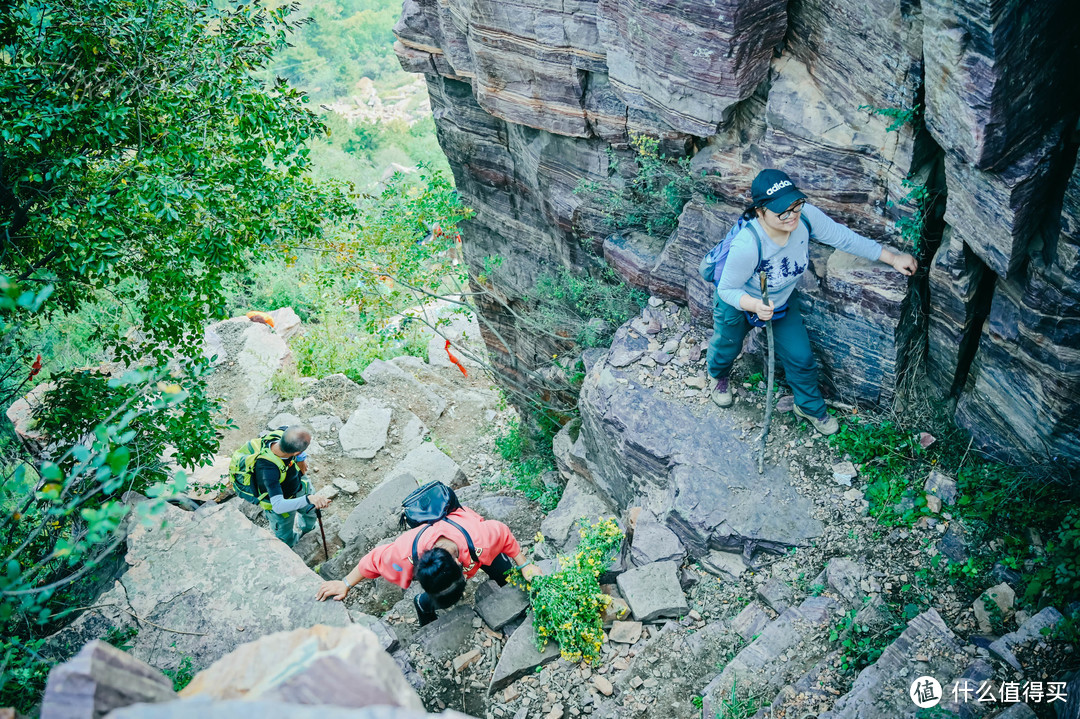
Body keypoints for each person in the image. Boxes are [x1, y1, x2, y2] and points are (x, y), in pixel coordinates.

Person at [707, 169, 918, 435]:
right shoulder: (748, 244)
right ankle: (718, 375)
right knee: (727, 345)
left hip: (781, 301)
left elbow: (843, 237)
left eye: (795, 205)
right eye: (782, 212)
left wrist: (892, 258)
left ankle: (807, 406)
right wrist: (753, 306)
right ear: (760, 211)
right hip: (738, 303)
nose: (792, 215)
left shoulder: (805, 217)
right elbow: (727, 289)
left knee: (801, 357)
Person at [315, 505, 541, 625]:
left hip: (470, 536)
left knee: (507, 574)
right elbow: (372, 560)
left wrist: (524, 564)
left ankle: (511, 594)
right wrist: (345, 583)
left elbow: (502, 532)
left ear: (459, 564)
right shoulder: (402, 557)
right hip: (463, 554)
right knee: (430, 603)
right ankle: (425, 610)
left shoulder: (482, 538)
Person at [247, 425, 331, 546]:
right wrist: (308, 499)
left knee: (310, 514)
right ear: (296, 452)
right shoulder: (267, 469)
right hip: (283, 504)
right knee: (285, 535)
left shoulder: (282, 433)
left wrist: (301, 459)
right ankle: (293, 546)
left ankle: (308, 530)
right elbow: (278, 506)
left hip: (298, 486)